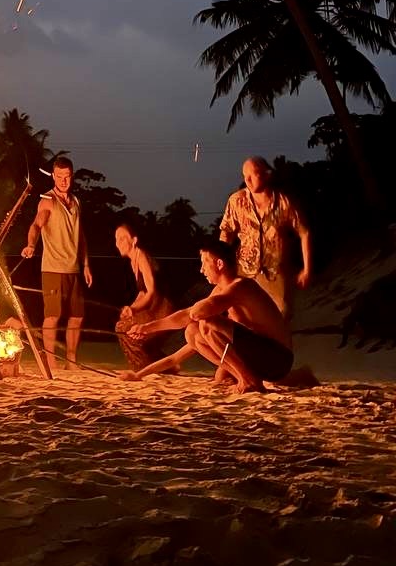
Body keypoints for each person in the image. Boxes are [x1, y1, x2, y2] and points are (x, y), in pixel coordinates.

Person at [123, 238, 294, 394]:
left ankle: (248, 380)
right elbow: (177, 354)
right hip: (261, 356)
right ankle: (247, 378)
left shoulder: (240, 287)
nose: (202, 269)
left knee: (205, 323)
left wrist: (147, 327)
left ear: (219, 264)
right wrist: (139, 374)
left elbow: (194, 313)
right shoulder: (220, 291)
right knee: (192, 332)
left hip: (278, 359)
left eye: (205, 262)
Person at [21, 156, 92, 373]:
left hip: (74, 268)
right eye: (59, 177)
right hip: (52, 269)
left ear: (72, 176)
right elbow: (36, 225)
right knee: (52, 316)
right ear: (53, 176)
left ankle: (71, 360)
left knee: (77, 316)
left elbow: (81, 236)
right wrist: (30, 244)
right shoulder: (47, 200)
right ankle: (50, 361)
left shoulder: (76, 201)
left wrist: (86, 265)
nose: (63, 181)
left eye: (67, 177)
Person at [219, 156, 312, 321]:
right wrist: (220, 263)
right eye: (244, 175)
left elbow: (304, 233)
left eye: (253, 174)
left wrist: (306, 269)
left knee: (280, 318)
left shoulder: (284, 203)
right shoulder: (237, 201)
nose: (247, 179)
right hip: (245, 272)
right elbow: (226, 232)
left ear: (267, 175)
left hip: (276, 274)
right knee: (243, 319)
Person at [113, 217, 175, 371]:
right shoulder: (133, 260)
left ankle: (142, 369)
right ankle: (165, 367)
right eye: (116, 239)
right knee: (128, 328)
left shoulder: (141, 257)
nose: (117, 243)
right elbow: (143, 292)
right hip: (155, 309)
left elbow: (151, 290)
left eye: (122, 239)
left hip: (162, 311)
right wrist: (130, 308)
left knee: (123, 328)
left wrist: (133, 310)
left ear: (134, 240)